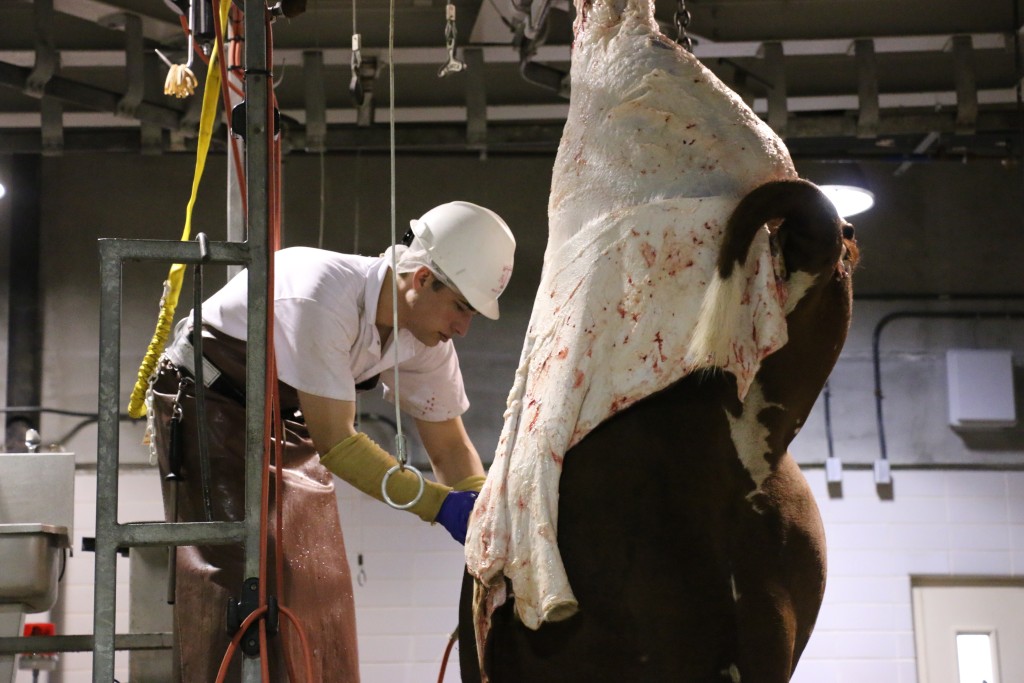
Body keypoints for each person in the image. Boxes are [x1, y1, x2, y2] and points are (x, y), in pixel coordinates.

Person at [147, 201, 515, 682]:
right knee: (244, 579)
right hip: (208, 403)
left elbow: (449, 446)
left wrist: (484, 518)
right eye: (461, 307)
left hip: (287, 414)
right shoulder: (323, 296)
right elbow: (339, 445)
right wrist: (439, 505)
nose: (463, 328)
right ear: (422, 279)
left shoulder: (424, 337)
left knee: (322, 583)